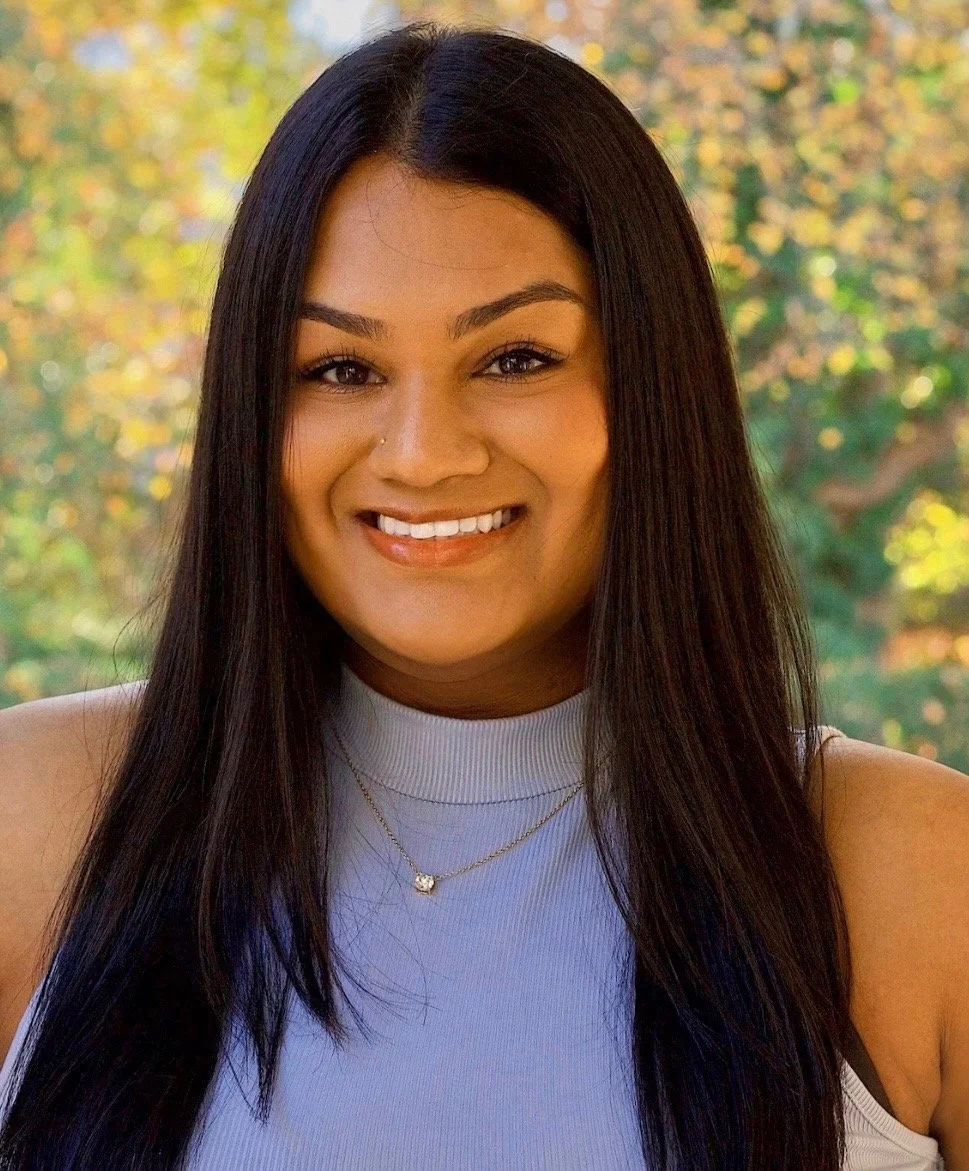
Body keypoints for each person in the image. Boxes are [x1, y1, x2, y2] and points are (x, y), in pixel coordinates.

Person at [0, 19, 966, 1171]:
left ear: (650, 383)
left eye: (515, 359)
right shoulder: (37, 822)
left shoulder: (912, 873)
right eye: (339, 369)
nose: (422, 453)